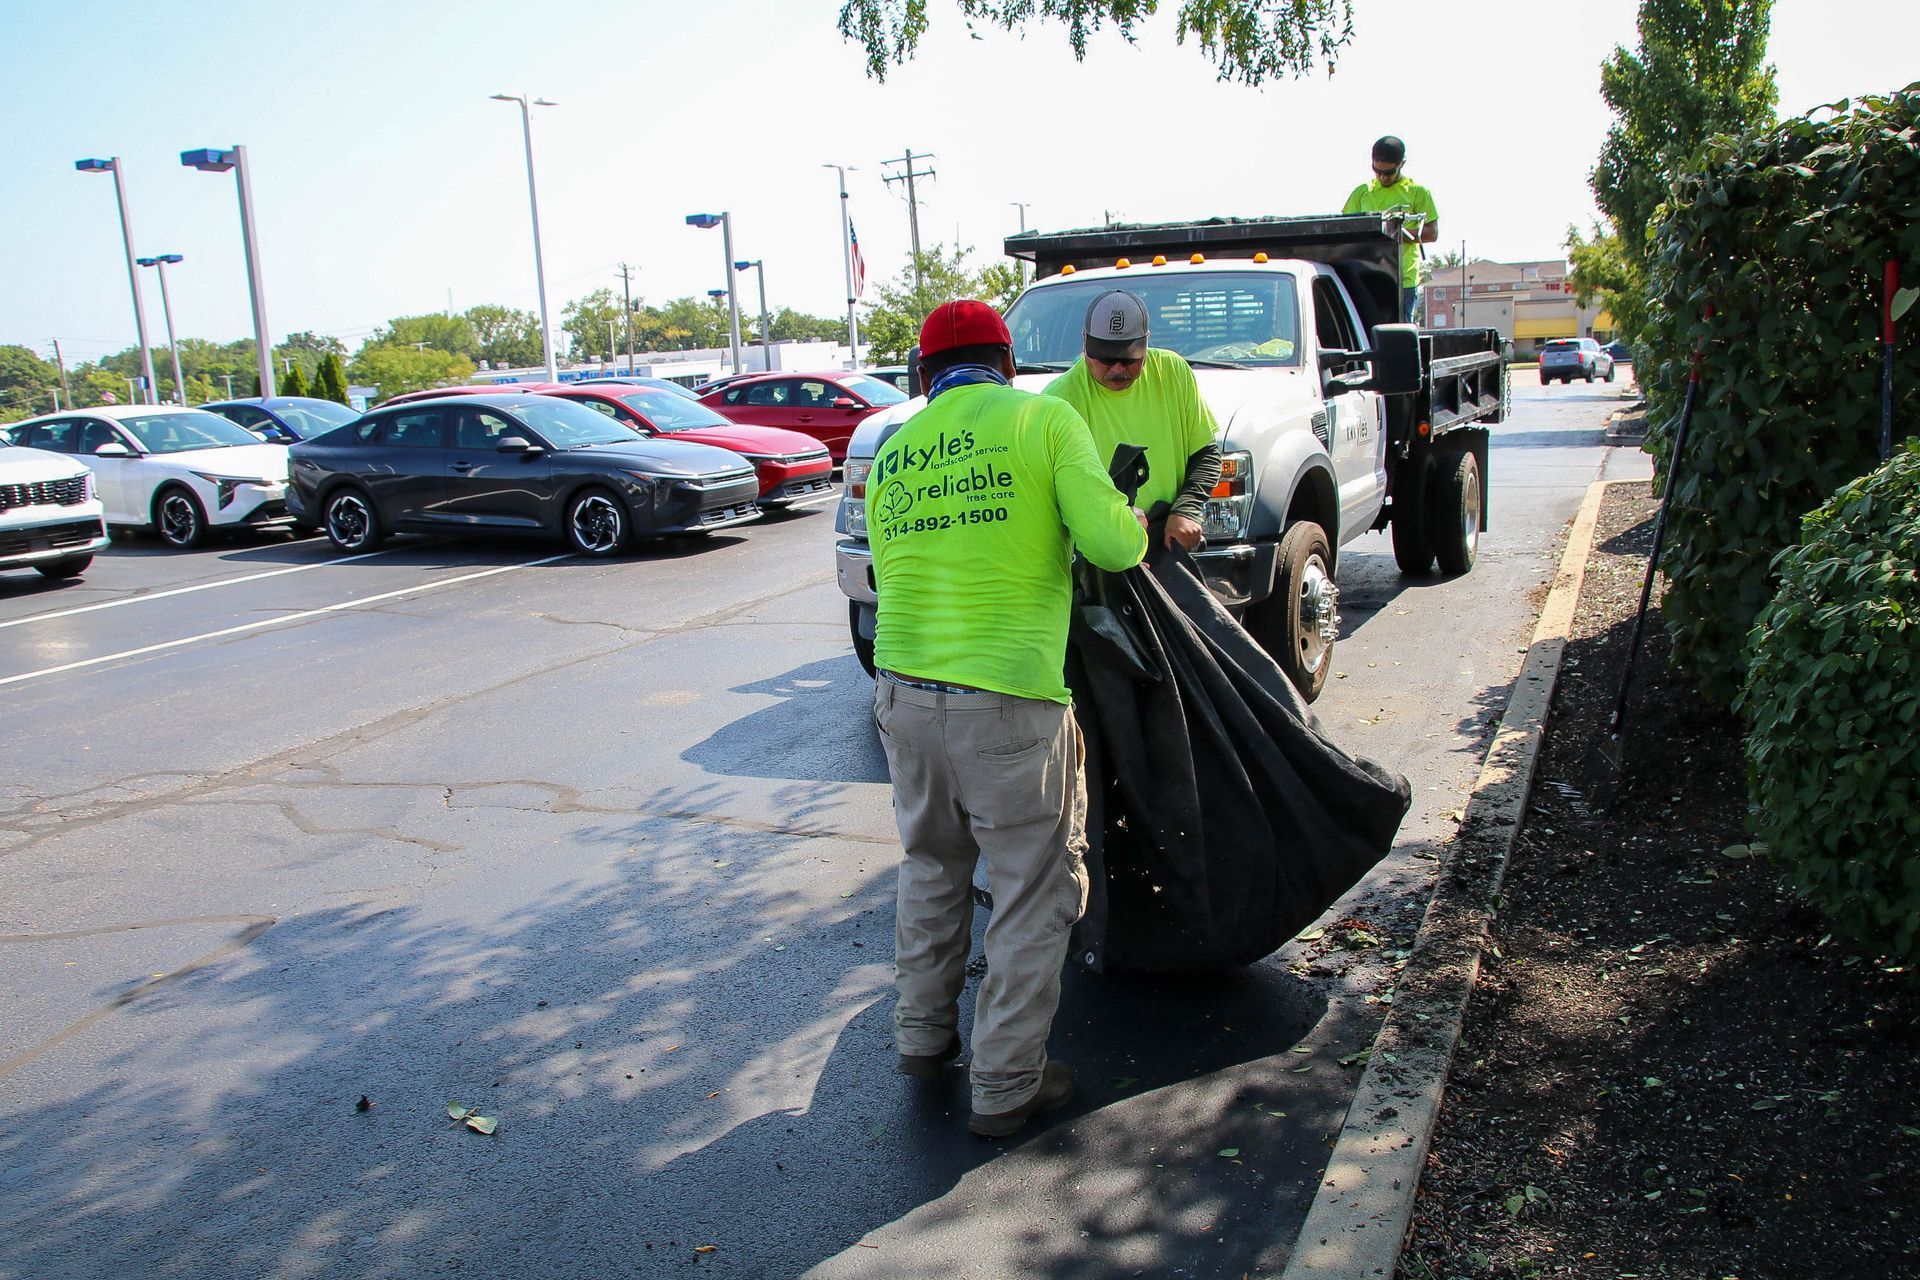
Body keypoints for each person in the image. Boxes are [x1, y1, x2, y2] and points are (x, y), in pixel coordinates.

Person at [867, 299, 1148, 1138]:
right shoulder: (1044, 420)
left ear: (924, 377)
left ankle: (922, 1041)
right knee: (1032, 888)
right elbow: (1113, 546)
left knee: (930, 866)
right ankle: (1004, 1084)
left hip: (904, 693)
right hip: (1010, 702)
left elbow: (887, 571)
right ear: (1008, 364)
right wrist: (1128, 519)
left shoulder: (893, 449)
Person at [1043, 289, 1223, 552]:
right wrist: (1116, 531)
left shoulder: (1173, 373)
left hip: (1165, 542)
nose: (1117, 370)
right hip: (1097, 554)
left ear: (1146, 343)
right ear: (1085, 343)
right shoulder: (1058, 401)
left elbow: (1206, 454)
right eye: (1105, 358)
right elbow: (1052, 495)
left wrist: (1187, 507)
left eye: (1129, 359)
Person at [1342, 135, 1439, 323]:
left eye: (1389, 173)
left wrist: (1394, 233)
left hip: (1403, 279)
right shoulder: (1362, 192)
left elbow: (1432, 233)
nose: (1382, 177)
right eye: (1377, 171)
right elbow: (1345, 228)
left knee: (1400, 333)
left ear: (1402, 164)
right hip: (1366, 276)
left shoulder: (1417, 192)